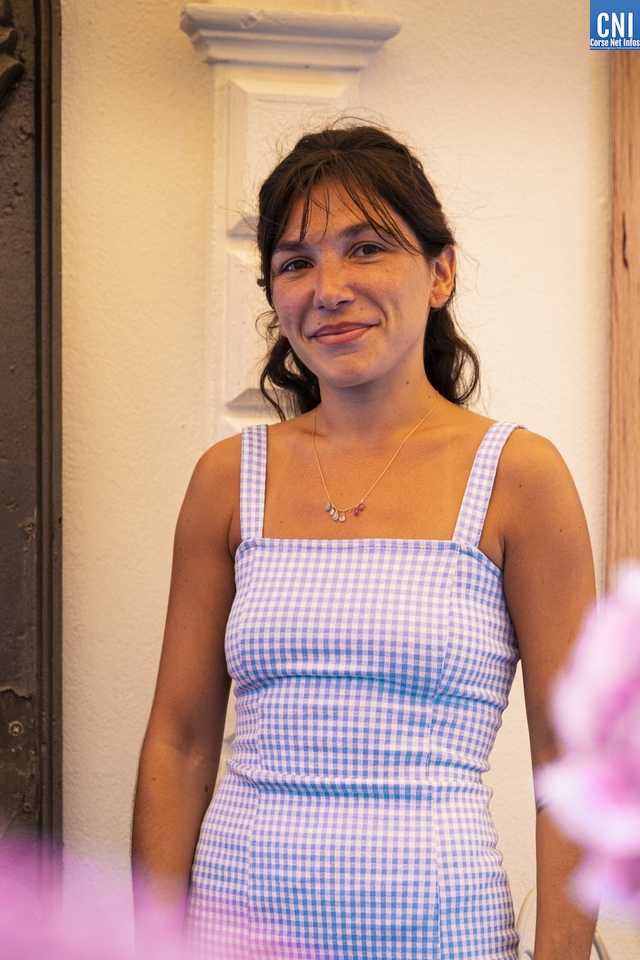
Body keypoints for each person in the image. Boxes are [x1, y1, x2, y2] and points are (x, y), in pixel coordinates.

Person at [132, 125, 598, 959]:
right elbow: (180, 740)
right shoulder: (227, 480)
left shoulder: (518, 476)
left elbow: (576, 762)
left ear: (440, 272)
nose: (330, 289)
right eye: (296, 262)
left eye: (367, 248)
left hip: (442, 936)